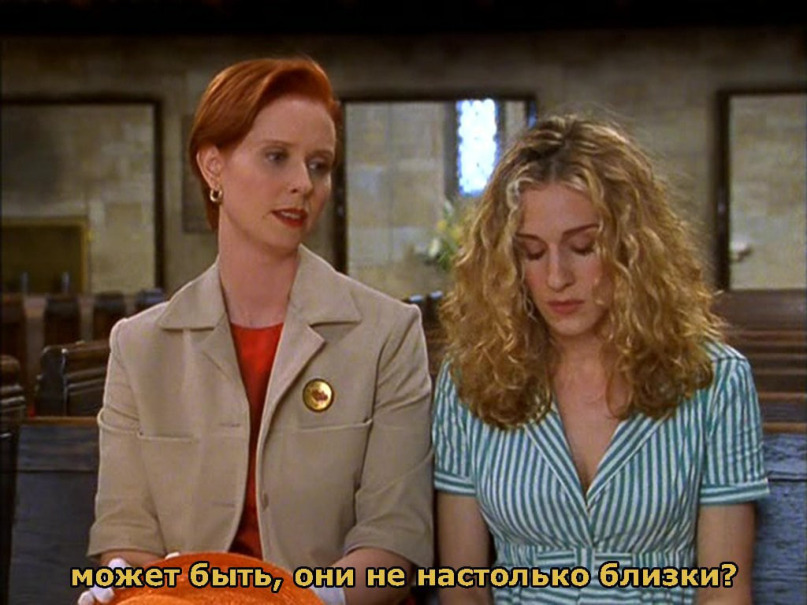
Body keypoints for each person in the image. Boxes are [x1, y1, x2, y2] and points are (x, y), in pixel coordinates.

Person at [80, 57, 433, 605]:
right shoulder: (139, 346)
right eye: (276, 157)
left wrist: (298, 601)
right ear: (213, 167)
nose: (303, 184)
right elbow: (127, 537)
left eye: (319, 165)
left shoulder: (387, 334)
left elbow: (394, 541)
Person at [433, 113, 769, 604]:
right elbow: (463, 587)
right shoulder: (472, 379)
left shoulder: (714, 380)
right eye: (532, 253)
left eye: (583, 247)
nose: (557, 277)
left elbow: (725, 591)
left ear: (633, 248)